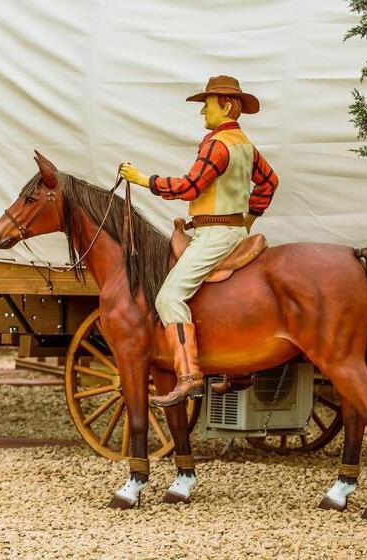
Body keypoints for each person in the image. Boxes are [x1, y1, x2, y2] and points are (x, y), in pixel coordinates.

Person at [118, 75, 279, 407]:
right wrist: (249, 218)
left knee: (169, 298)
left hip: (214, 235)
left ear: (226, 106)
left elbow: (189, 187)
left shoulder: (217, 145)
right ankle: (237, 369)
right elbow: (269, 181)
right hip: (233, 231)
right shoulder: (244, 144)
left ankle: (189, 376)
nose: (203, 112)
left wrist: (143, 179)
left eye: (207, 105)